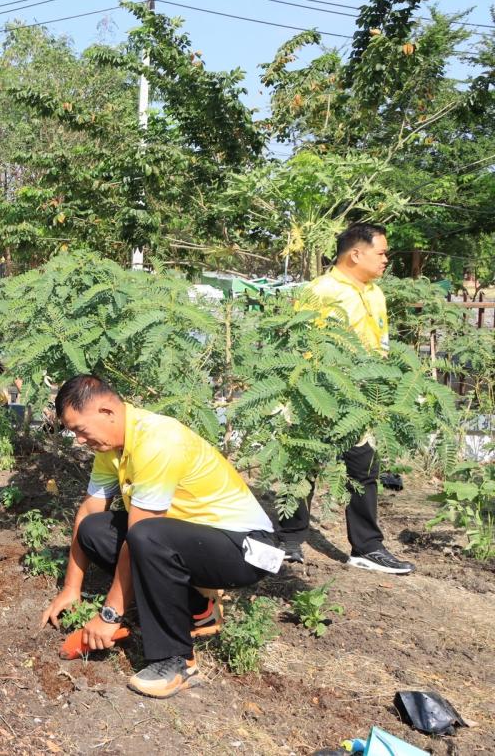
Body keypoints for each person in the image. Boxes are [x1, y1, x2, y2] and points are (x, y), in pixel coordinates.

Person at [39, 375, 279, 699]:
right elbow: (88, 512)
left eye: (81, 429)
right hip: (197, 539)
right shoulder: (112, 448)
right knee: (94, 530)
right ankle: (198, 608)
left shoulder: (156, 441)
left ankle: (176, 662)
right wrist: (71, 588)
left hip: (248, 547)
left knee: (146, 537)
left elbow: (141, 537)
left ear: (107, 411)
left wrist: (109, 616)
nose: (79, 440)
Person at [278, 223, 414, 574]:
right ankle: (289, 541)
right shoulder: (320, 290)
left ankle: (366, 547)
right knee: (303, 463)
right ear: (357, 253)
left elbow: (379, 345)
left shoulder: (375, 293)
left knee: (364, 468)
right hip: (319, 391)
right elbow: (298, 339)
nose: (386, 260)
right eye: (381, 253)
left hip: (362, 396)